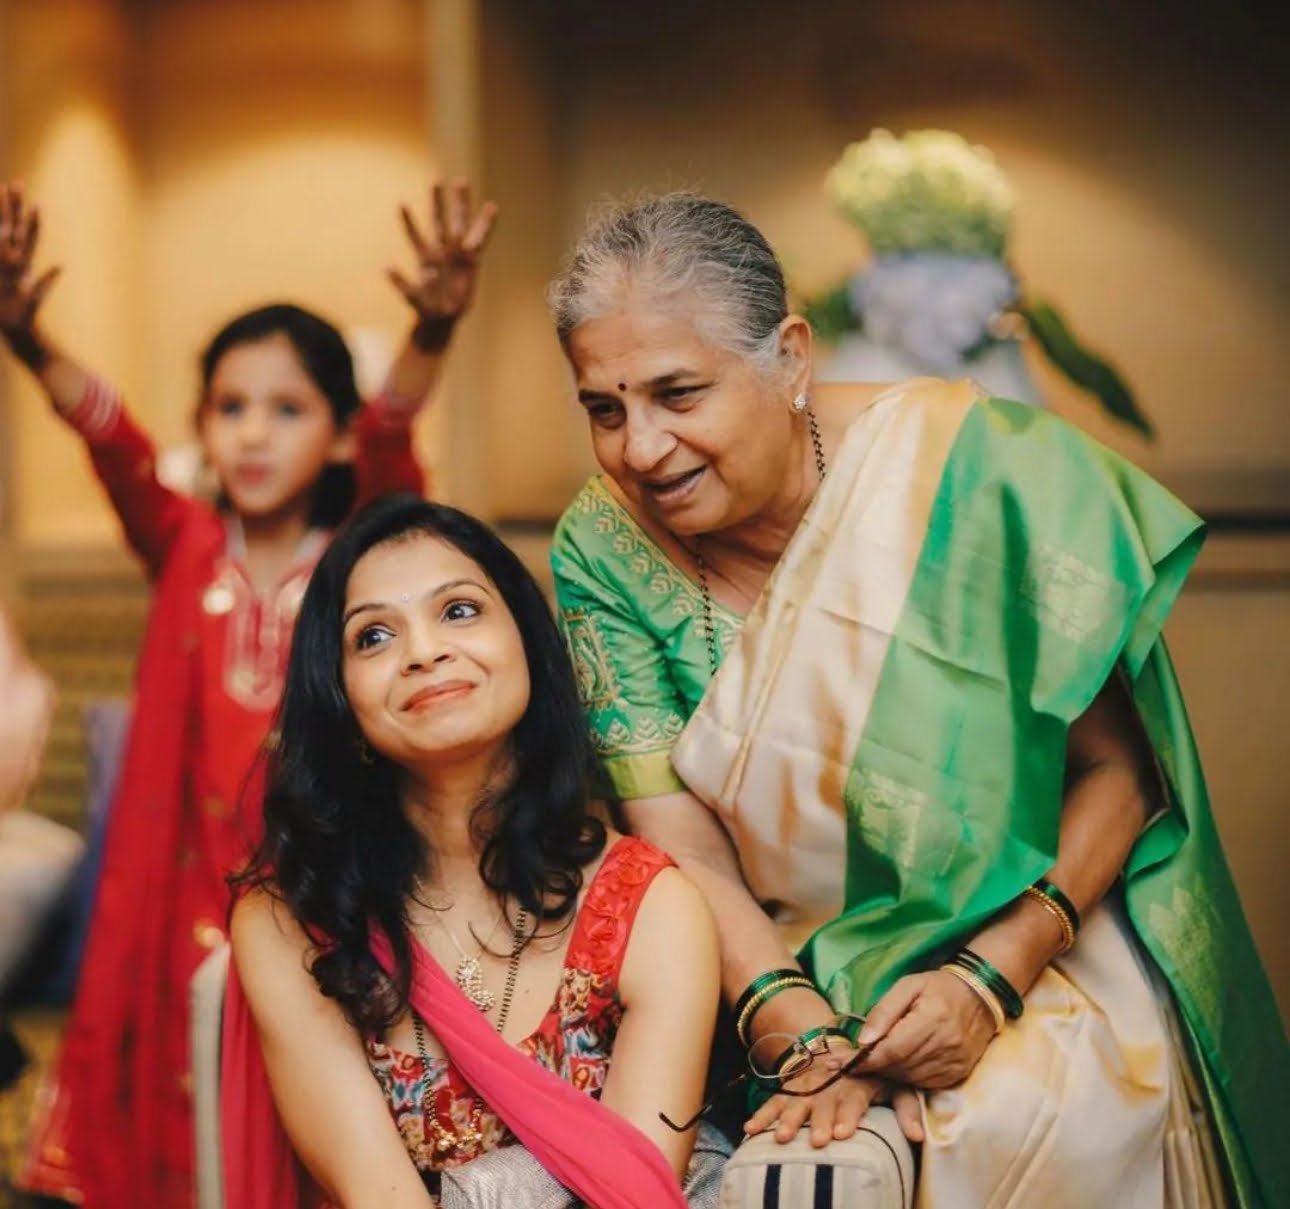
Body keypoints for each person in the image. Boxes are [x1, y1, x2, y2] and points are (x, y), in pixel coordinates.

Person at [546, 192, 1288, 1208]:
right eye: (604, 408)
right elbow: (679, 844)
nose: (640, 448)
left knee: (1043, 1108)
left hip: (1038, 947)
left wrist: (990, 979)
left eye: (680, 393)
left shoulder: (971, 473)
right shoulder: (605, 544)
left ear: (791, 358)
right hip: (764, 975)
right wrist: (792, 1024)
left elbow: (1118, 775)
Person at [0, 179, 496, 1208]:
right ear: (204, 425)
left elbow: (398, 438)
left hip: (315, 889)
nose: (255, 434)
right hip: (180, 890)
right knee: (182, 1103)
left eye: (287, 408)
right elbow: (115, 446)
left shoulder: (356, 552)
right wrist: (30, 341)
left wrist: (432, 327)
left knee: (305, 1107)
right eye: (231, 408)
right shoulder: (186, 544)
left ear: (339, 432)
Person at [226, 493, 727, 1208]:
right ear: (340, 699)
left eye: (459, 610)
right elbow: (379, 1194)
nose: (425, 651)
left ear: (527, 640)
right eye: (373, 637)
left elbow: (633, 1193)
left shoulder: (649, 908)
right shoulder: (293, 924)